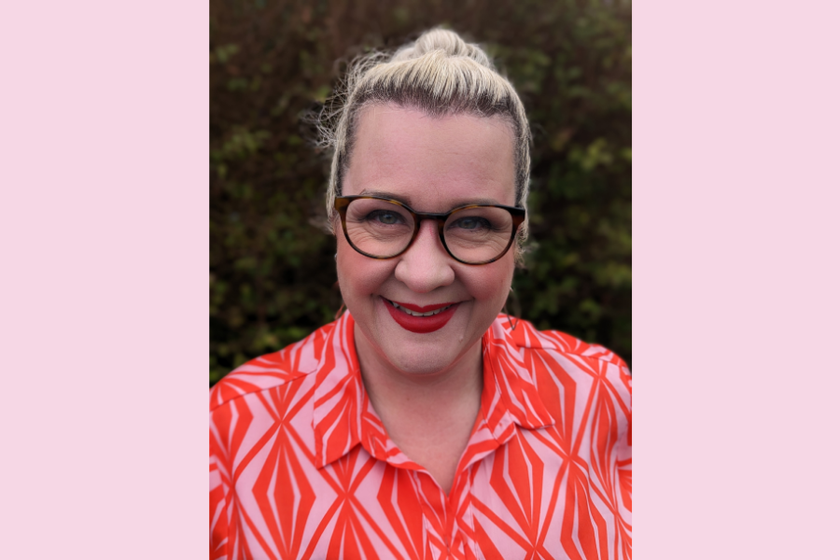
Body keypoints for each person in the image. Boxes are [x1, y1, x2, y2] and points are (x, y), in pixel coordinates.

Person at [210, 28, 631, 560]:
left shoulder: (606, 399)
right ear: (335, 219)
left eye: (474, 222)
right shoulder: (228, 441)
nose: (424, 274)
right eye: (384, 216)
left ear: (517, 237)